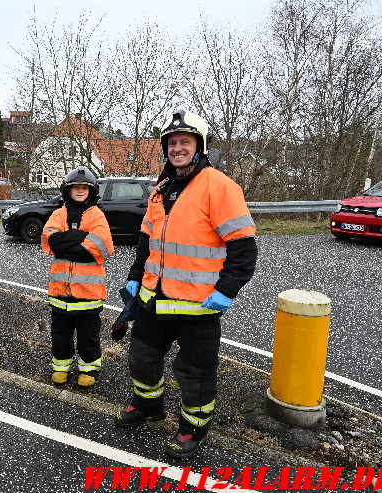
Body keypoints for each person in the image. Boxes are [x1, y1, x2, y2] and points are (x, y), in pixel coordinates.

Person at [115, 109, 257, 458]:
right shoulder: (161, 189)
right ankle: (149, 406)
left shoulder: (220, 187)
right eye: (172, 143)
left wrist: (226, 290)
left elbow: (243, 248)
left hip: (198, 305)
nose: (177, 148)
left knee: (194, 372)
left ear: (200, 146)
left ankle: (193, 427)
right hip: (153, 299)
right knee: (142, 360)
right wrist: (135, 278)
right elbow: (146, 241)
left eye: (185, 142)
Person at [41, 166, 114, 388]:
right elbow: (51, 241)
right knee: (60, 336)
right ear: (68, 191)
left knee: (88, 338)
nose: (80, 191)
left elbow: (101, 247)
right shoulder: (58, 214)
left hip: (88, 296)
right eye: (76, 188)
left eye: (84, 188)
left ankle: (88, 371)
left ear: (91, 192)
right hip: (60, 294)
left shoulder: (96, 215)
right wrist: (82, 238)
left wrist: (68, 243)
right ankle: (61, 368)